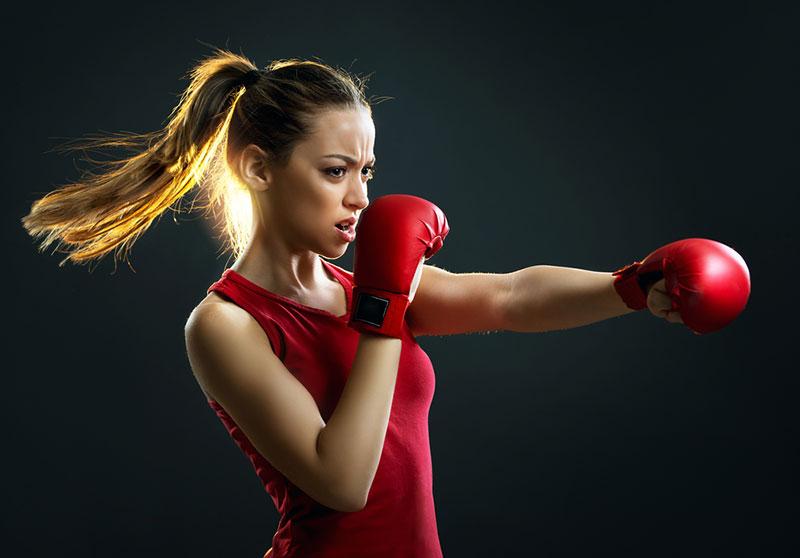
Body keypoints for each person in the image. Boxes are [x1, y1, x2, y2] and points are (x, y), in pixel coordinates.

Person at [21, 47, 748, 558]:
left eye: (367, 170)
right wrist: (381, 307)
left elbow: (508, 296)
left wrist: (630, 287)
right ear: (257, 169)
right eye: (335, 170)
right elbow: (341, 481)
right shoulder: (227, 324)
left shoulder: (358, 285)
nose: (359, 197)